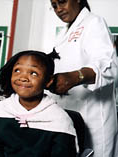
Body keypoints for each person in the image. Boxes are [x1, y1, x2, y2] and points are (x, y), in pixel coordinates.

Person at [48, 0, 118, 157]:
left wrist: (75, 77)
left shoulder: (94, 22)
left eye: (62, 2)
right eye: (54, 6)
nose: (59, 9)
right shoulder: (62, 34)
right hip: (68, 119)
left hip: (93, 120)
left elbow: (109, 66)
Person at [0, 50, 78, 157]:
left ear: (48, 81)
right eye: (17, 70)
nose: (23, 78)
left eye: (33, 73)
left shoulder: (59, 120)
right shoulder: (1, 110)